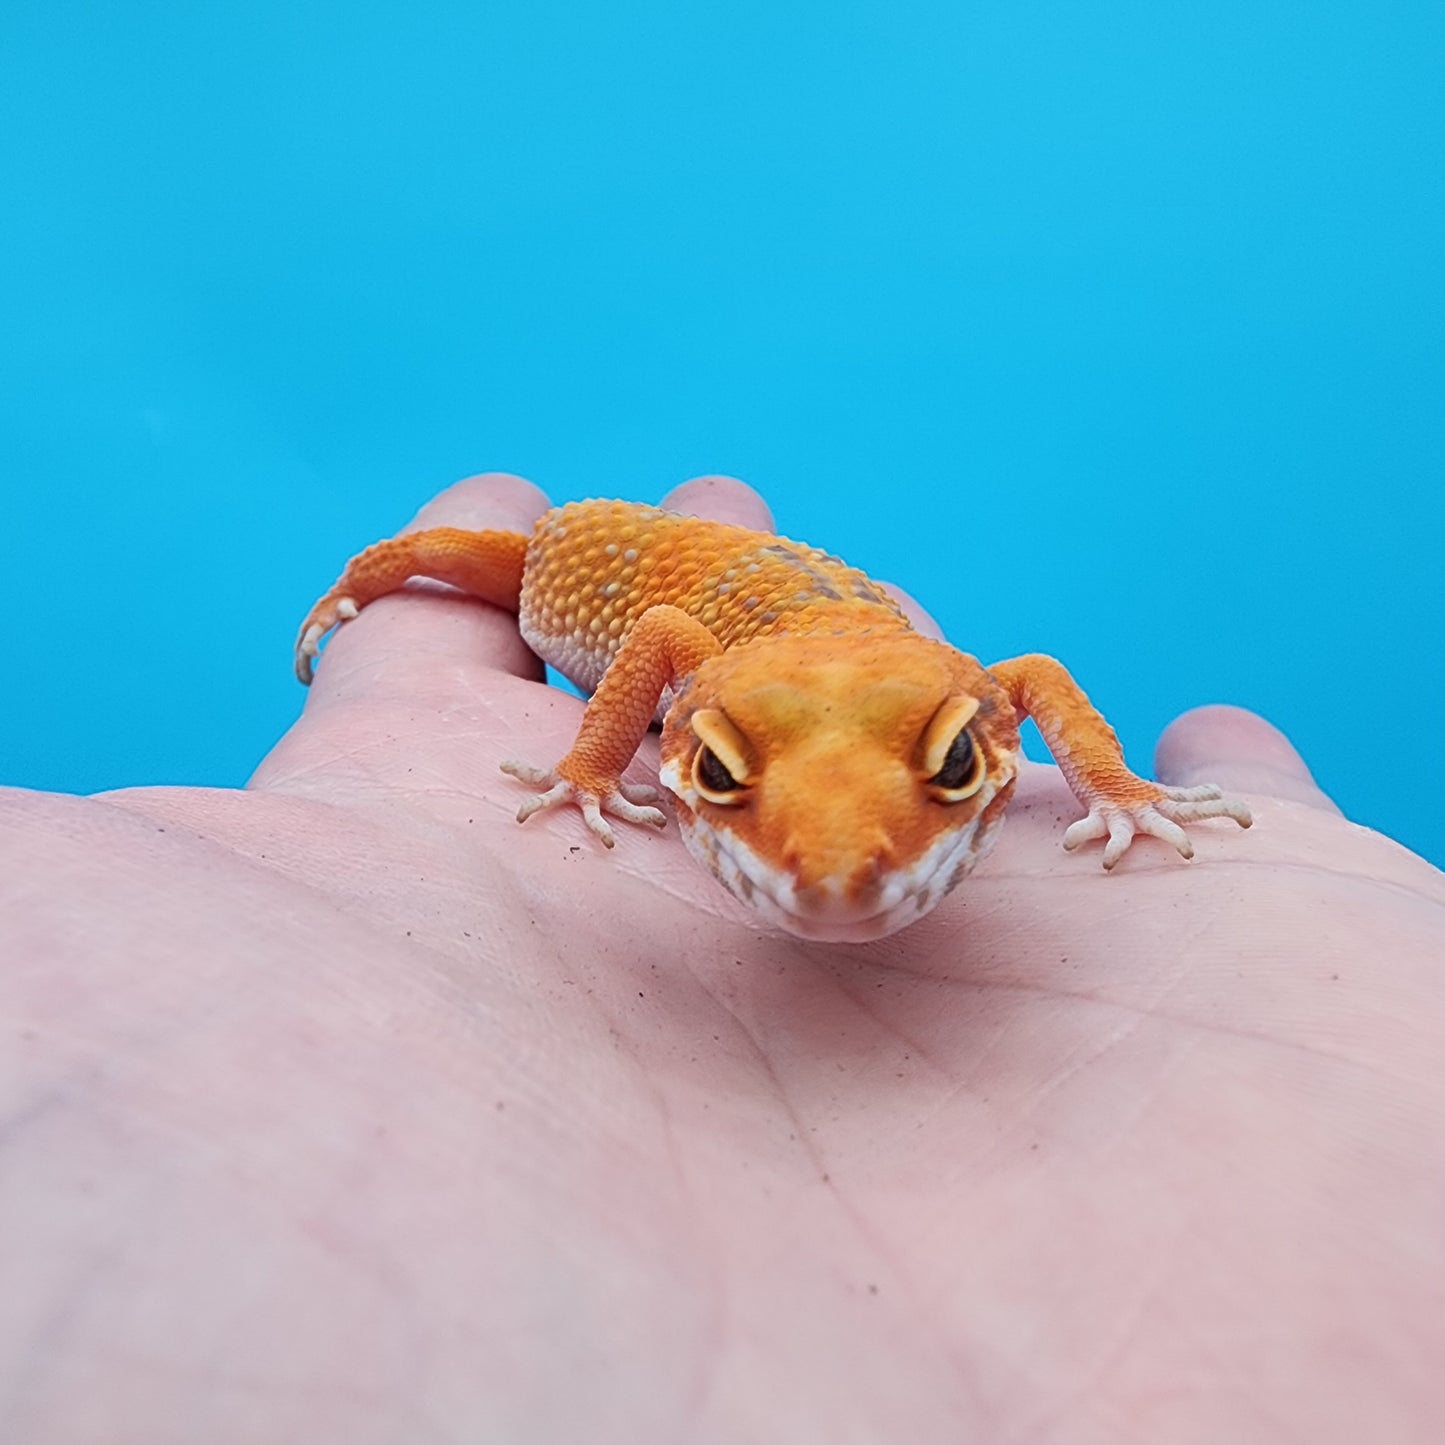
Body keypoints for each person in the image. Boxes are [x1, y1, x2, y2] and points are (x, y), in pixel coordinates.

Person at [4, 473, 1441, 1441]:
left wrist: (1107, 781)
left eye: (948, 771)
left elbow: (1030, 679)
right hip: (643, 574)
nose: (835, 880)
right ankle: (373, 571)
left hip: (829, 641)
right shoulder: (678, 646)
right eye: (724, 776)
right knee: (450, 564)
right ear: (682, 717)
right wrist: (590, 758)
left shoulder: (984, 698)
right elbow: (685, 626)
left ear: (990, 743)